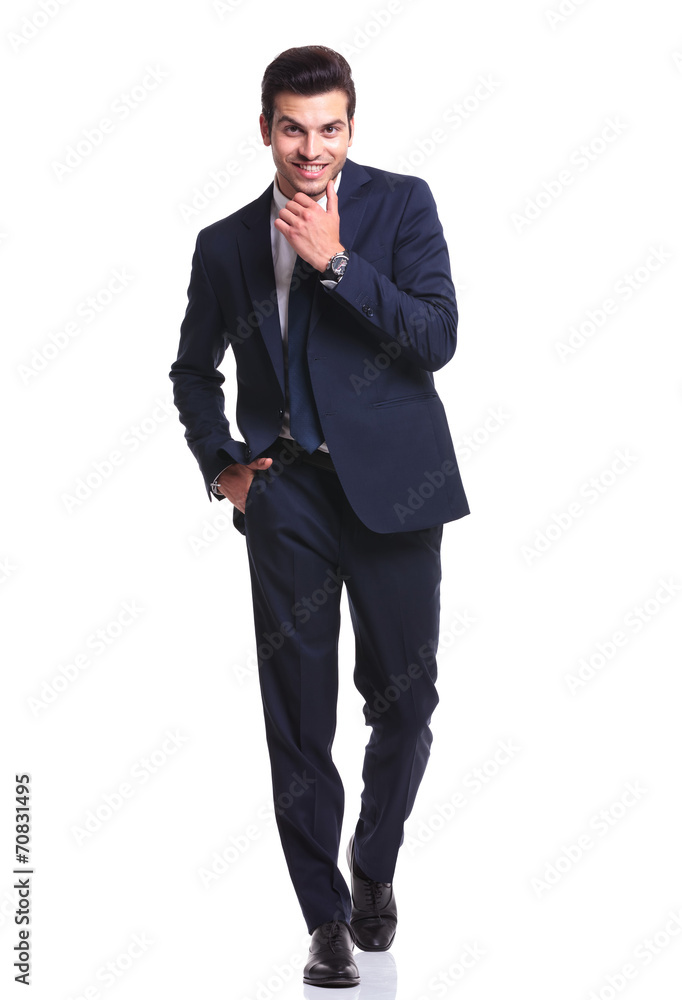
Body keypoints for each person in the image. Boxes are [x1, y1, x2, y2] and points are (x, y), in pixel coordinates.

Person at [170, 44, 469, 988]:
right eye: (293, 130)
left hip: (396, 493)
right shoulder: (224, 244)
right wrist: (225, 467)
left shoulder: (401, 205)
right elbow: (192, 371)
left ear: (351, 126)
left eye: (329, 128)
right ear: (266, 129)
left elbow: (436, 336)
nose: (312, 149)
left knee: (406, 704)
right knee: (298, 718)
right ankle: (325, 918)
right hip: (287, 490)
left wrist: (335, 262)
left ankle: (372, 864)